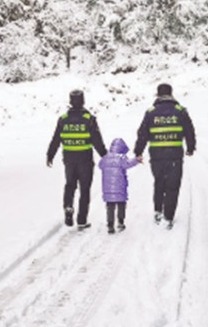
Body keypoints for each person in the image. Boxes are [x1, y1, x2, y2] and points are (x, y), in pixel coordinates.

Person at [134, 83, 196, 230]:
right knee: (173, 186)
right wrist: (190, 148)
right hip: (174, 156)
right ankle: (168, 216)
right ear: (171, 94)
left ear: (158, 94)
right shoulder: (180, 111)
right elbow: (189, 131)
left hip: (156, 156)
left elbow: (142, 134)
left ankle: (158, 211)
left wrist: (138, 151)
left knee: (159, 183)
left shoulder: (151, 112)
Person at [47, 89, 107, 229]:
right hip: (85, 159)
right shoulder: (89, 119)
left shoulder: (63, 119)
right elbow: (97, 140)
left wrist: (50, 155)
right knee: (84, 189)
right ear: (83, 101)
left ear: (70, 101)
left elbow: (56, 139)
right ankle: (82, 220)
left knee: (70, 185)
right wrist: (105, 156)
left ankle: (68, 207)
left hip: (69, 159)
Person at [98, 138, 139, 234]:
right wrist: (136, 160)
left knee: (110, 206)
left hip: (107, 189)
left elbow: (100, 165)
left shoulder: (105, 158)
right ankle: (120, 222)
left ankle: (110, 225)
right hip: (120, 187)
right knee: (121, 204)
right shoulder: (121, 158)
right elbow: (128, 164)